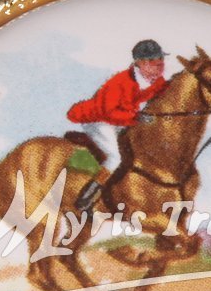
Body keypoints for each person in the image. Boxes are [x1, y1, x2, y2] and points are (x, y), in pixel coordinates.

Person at [67, 39, 169, 210]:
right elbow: (110, 113)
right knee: (115, 158)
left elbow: (154, 92)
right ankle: (88, 195)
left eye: (161, 60)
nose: (160, 65)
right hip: (99, 120)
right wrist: (136, 117)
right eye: (153, 61)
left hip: (121, 119)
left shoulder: (154, 80)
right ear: (140, 63)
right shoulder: (120, 81)